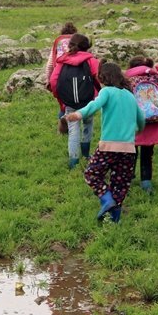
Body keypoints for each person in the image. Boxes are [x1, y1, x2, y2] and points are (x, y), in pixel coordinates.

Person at [66, 62, 145, 223]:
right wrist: (138, 130)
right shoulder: (130, 96)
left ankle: (107, 199)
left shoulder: (106, 91)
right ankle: (114, 219)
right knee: (120, 184)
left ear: (102, 77)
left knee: (92, 174)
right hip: (129, 149)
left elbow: (94, 105)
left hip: (108, 146)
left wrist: (78, 115)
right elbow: (141, 118)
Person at [50, 33, 101, 169]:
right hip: (88, 100)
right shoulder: (91, 60)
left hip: (69, 101)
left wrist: (60, 98)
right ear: (86, 47)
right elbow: (99, 78)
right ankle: (86, 153)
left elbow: (54, 81)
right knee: (88, 124)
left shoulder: (62, 61)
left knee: (73, 130)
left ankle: (73, 162)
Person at [126, 56, 158, 193]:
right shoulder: (157, 78)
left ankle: (128, 177)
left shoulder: (127, 79)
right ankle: (146, 183)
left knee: (130, 152)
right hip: (154, 121)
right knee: (147, 153)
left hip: (134, 122)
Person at [45, 22, 78, 134]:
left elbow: (50, 64)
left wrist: (48, 79)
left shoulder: (58, 42)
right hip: (77, 77)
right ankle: (72, 124)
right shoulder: (79, 42)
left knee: (64, 105)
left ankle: (63, 128)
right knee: (78, 102)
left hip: (59, 77)